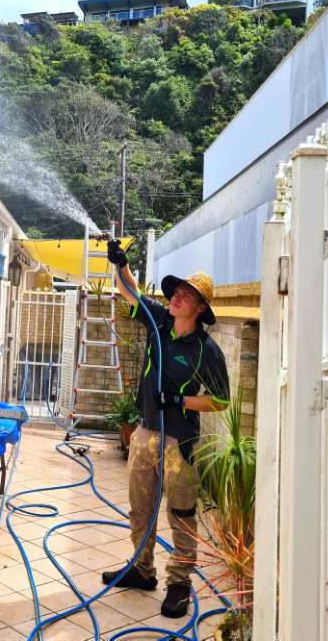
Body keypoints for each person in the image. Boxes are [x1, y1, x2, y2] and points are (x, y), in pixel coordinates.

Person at [101, 238, 230, 618]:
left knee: (181, 513)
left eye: (186, 295)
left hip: (179, 442)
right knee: (140, 509)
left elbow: (220, 400)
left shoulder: (207, 350)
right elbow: (130, 290)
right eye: (176, 291)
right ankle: (142, 570)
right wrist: (121, 263)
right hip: (144, 433)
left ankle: (179, 584)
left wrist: (178, 401)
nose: (176, 297)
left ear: (201, 308)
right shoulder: (158, 320)